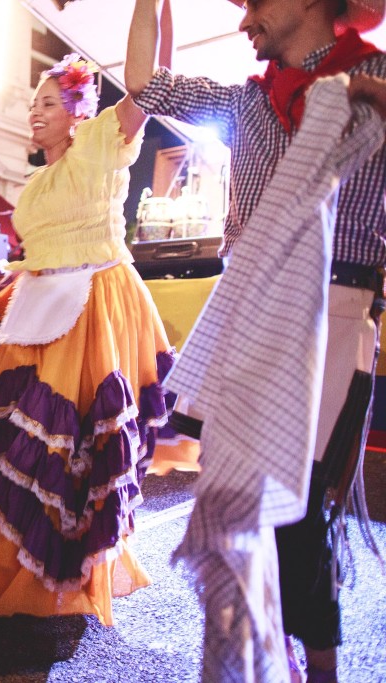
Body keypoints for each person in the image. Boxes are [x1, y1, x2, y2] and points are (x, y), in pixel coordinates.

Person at [127, 0, 386, 680]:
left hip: (335, 304)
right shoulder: (246, 101)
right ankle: (265, 650)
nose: (244, 21)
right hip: (247, 302)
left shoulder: (378, 82)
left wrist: (366, 100)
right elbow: (141, 82)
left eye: (256, 2)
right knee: (238, 497)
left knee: (294, 507)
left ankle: (318, 667)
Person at [0, 53, 175, 625]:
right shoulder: (37, 178)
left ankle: (64, 573)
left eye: (47, 104)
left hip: (90, 304)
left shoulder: (100, 146)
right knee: (20, 444)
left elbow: (147, 82)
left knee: (69, 445)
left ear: (76, 112)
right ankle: (7, 563)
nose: (35, 113)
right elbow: (37, 255)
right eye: (33, 104)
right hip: (39, 307)